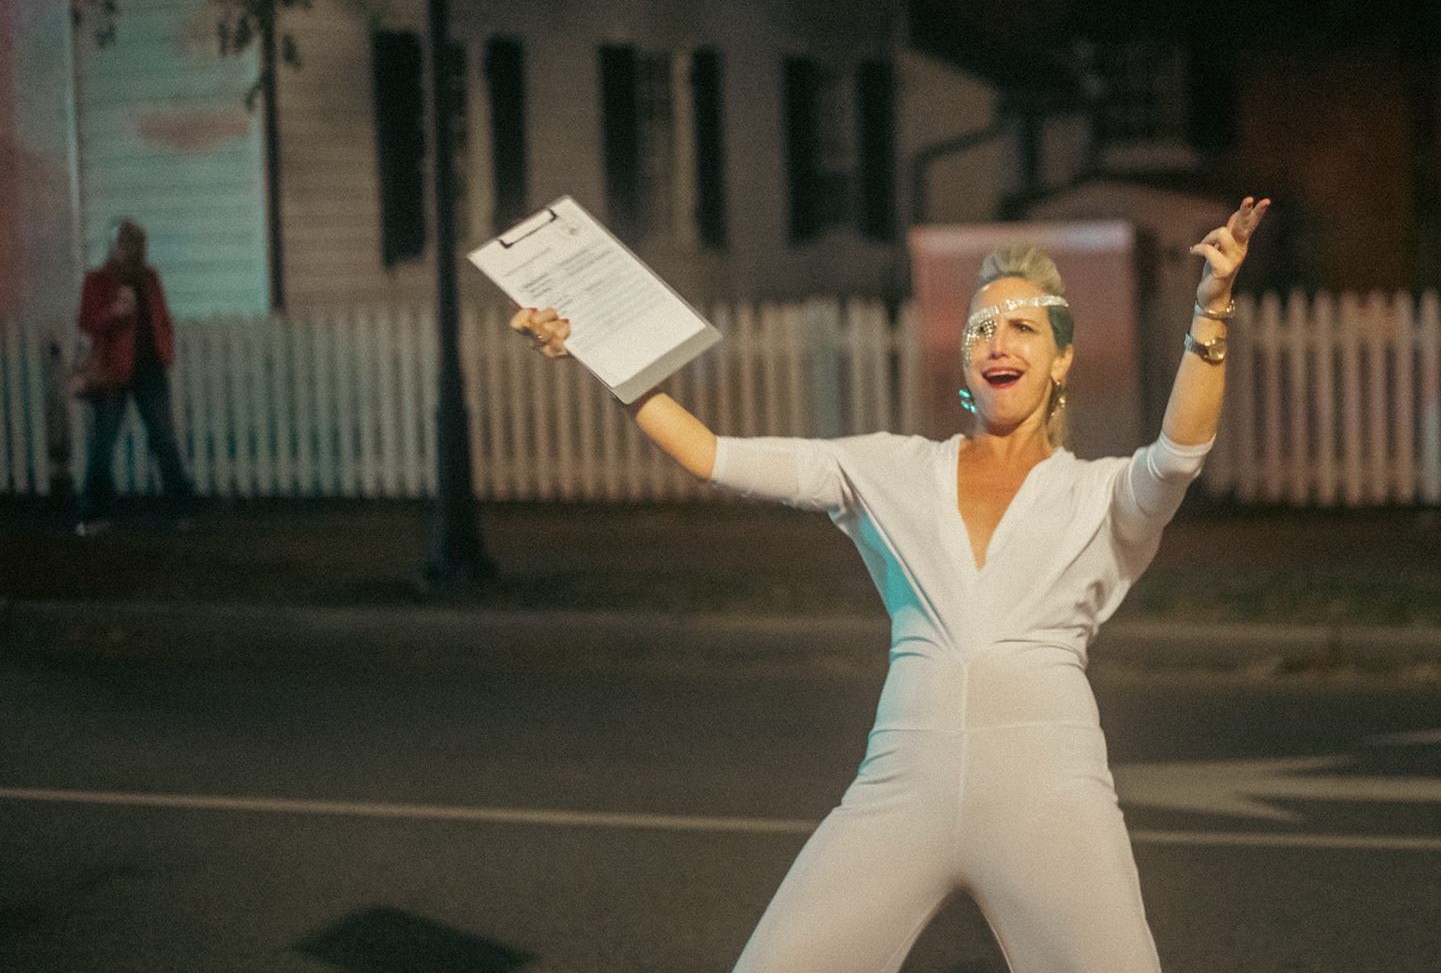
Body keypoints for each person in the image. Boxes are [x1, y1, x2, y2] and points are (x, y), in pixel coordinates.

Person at [513, 196, 1269, 973]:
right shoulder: (890, 469)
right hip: (903, 789)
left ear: (1061, 359)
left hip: (1051, 798)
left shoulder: (1102, 494)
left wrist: (1211, 307)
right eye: (982, 327)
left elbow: (1178, 454)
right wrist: (597, 350)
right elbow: (711, 454)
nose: (998, 342)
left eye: (1023, 327)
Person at [74, 218, 196, 535]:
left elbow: (162, 317)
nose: (128, 249)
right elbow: (86, 321)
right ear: (113, 246)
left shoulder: (149, 278)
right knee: (104, 442)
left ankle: (181, 509)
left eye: (133, 243)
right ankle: (93, 512)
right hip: (112, 369)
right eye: (122, 242)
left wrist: (165, 352)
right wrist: (113, 313)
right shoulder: (98, 280)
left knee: (164, 438)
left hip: (149, 367)